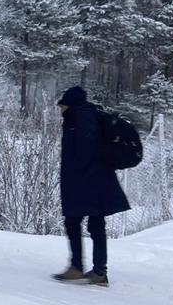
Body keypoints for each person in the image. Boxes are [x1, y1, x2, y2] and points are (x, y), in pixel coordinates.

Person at [52, 85, 130, 286]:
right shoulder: (87, 116)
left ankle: (79, 268)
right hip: (95, 181)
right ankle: (98, 272)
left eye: (63, 105)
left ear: (71, 104)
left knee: (75, 222)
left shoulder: (81, 119)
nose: (60, 109)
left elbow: (85, 152)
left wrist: (77, 180)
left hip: (87, 182)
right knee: (94, 224)